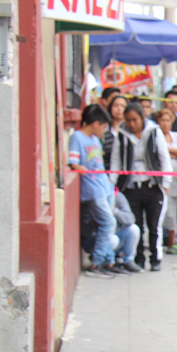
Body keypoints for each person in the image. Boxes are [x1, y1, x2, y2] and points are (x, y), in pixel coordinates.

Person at [111, 102, 173, 271]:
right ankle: (138, 258)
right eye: (128, 120)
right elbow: (116, 161)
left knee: (154, 225)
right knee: (136, 225)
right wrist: (113, 185)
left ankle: (155, 258)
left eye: (135, 120)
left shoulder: (154, 132)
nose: (132, 124)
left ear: (142, 118)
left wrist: (165, 183)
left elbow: (164, 158)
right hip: (131, 187)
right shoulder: (122, 134)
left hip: (152, 185)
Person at [69, 104, 119, 277]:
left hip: (104, 186)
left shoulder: (95, 140)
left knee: (109, 223)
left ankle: (109, 261)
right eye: (104, 126)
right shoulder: (77, 137)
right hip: (92, 190)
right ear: (96, 123)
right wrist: (79, 167)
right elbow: (73, 162)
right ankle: (96, 263)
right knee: (108, 223)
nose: (104, 130)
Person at [154, 109, 177, 255]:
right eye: (162, 120)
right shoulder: (154, 137)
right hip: (160, 179)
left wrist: (168, 150)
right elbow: (161, 154)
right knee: (161, 210)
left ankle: (172, 241)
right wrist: (173, 152)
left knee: (173, 210)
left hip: (176, 179)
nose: (165, 123)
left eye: (168, 120)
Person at [110, 189, 143, 272]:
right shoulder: (99, 197)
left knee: (133, 229)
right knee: (113, 239)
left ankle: (127, 261)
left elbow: (130, 219)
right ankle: (107, 262)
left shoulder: (118, 196)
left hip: (117, 234)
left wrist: (115, 211)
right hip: (103, 238)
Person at [101, 95, 127, 171]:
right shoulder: (103, 130)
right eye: (116, 105)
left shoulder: (131, 131)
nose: (119, 108)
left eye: (123, 106)